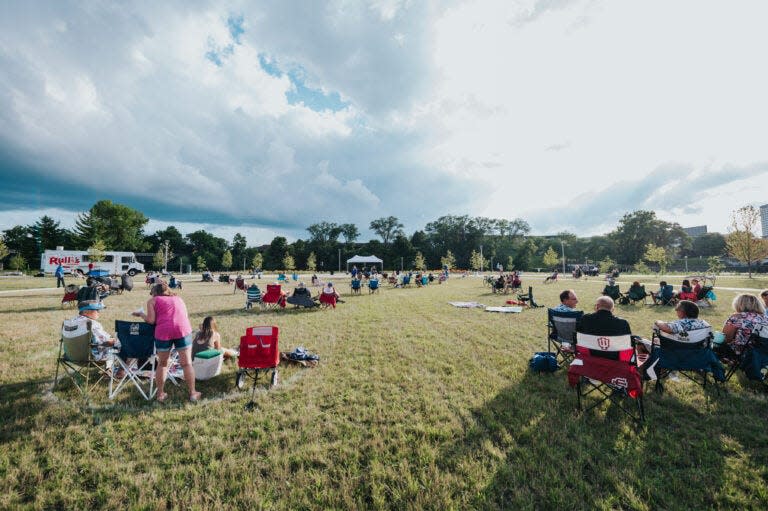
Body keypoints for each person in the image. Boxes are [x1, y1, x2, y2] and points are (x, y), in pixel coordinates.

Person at [133, 281, 200, 403]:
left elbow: (151, 320)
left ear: (155, 293)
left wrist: (141, 314)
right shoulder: (179, 298)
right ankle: (193, 393)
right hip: (182, 329)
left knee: (162, 364)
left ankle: (160, 394)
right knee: (187, 363)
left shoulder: (152, 301)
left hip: (163, 332)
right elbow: (184, 315)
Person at [719, 294, 768, 358]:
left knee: (717, 344)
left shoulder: (737, 317)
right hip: (763, 353)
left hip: (742, 353)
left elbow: (726, 338)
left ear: (739, 304)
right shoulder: (765, 318)